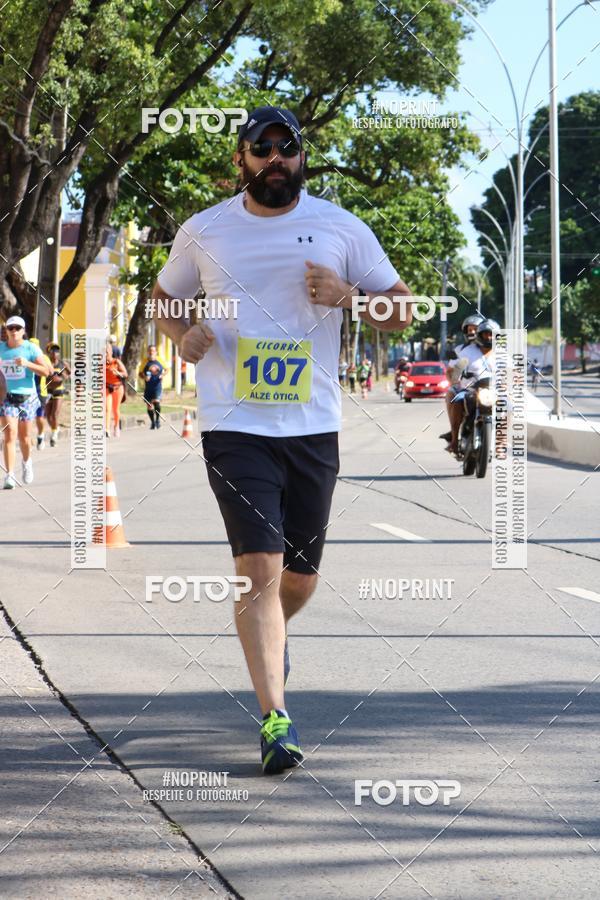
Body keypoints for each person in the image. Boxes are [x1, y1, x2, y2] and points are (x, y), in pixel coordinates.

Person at [150, 105, 412, 774]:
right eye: (260, 148)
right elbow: (165, 299)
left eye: (285, 148)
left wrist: (351, 295)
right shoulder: (204, 230)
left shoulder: (340, 228)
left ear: (302, 157)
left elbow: (402, 311)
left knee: (297, 580)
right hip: (233, 423)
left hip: (312, 426)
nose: (274, 159)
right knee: (260, 571)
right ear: (240, 159)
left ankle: (268, 635)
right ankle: (275, 719)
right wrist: (184, 336)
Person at [0, 316, 52, 488]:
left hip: (27, 399)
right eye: (10, 328)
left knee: (25, 438)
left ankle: (27, 462)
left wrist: (27, 363)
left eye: (17, 328)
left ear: (23, 331)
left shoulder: (31, 348)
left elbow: (46, 371)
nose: (14, 331)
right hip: (7, 399)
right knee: (10, 435)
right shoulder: (1, 349)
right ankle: (9, 475)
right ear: (6, 330)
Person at [447, 318, 499, 455]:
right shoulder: (467, 351)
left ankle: (502, 442)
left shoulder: (502, 353)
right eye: (485, 334)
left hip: (494, 391)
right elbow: (455, 371)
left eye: (491, 334)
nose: (488, 337)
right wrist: (456, 378)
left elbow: (513, 372)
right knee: (456, 399)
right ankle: (455, 439)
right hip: (471, 389)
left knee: (510, 407)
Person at [439, 313, 484, 448]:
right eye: (469, 330)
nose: (472, 332)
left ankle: (502, 441)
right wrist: (455, 381)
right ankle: (454, 438)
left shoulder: (492, 349)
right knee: (453, 396)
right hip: (467, 389)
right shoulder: (461, 350)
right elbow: (452, 372)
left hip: (489, 389)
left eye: (475, 329)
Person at [45, 342, 71, 447]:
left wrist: (62, 377)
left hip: (59, 390)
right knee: (48, 416)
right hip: (47, 391)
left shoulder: (62, 364)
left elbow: (69, 373)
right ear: (49, 352)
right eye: (53, 351)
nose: (55, 353)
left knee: (55, 414)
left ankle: (54, 435)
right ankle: (55, 429)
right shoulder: (46, 363)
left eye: (57, 351)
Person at [29, 338, 52, 449]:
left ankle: (40, 435)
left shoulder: (44, 357)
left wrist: (44, 365)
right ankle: (28, 439)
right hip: (28, 391)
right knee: (26, 417)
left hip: (41, 390)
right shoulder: (25, 356)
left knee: (39, 417)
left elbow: (51, 371)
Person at [105, 341, 127, 438]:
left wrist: (119, 373)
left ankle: (116, 425)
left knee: (115, 409)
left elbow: (125, 374)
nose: (105, 354)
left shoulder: (116, 362)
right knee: (106, 408)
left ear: (111, 352)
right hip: (106, 387)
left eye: (107, 351)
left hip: (118, 387)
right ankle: (106, 429)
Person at [140, 344, 165, 430]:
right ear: (148, 352)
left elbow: (167, 369)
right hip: (148, 387)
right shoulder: (145, 361)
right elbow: (140, 373)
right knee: (149, 405)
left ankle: (158, 420)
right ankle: (153, 422)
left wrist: (162, 375)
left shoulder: (160, 360)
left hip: (157, 386)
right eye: (150, 351)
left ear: (156, 352)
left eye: (153, 351)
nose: (151, 352)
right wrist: (144, 377)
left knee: (157, 402)